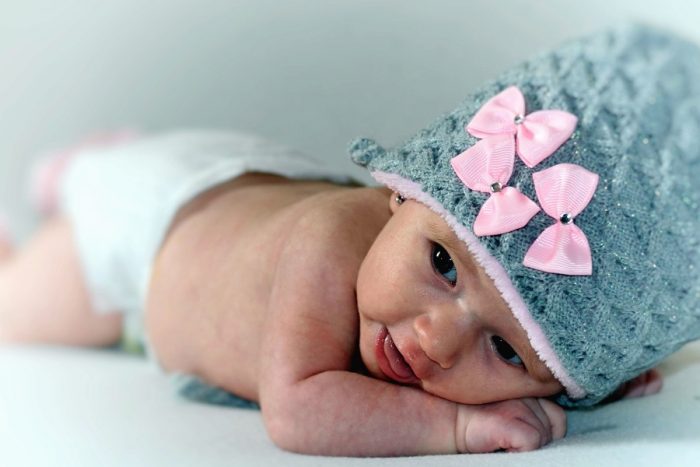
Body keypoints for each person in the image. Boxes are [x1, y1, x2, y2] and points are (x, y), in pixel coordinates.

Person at [0, 23, 697, 456]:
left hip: (243, 193)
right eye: (442, 264)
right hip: (144, 235)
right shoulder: (327, 241)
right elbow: (298, 408)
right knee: (15, 308)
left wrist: (597, 380)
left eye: (508, 349)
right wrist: (452, 431)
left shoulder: (438, 296)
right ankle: (71, 189)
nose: (436, 338)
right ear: (403, 194)